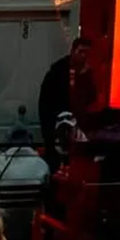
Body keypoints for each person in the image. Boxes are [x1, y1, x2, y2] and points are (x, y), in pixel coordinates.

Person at [38, 37, 97, 171]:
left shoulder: (86, 73)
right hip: (57, 125)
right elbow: (46, 103)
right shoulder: (57, 72)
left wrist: (85, 77)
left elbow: (91, 98)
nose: (83, 56)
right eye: (80, 52)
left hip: (77, 126)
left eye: (86, 54)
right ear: (72, 51)